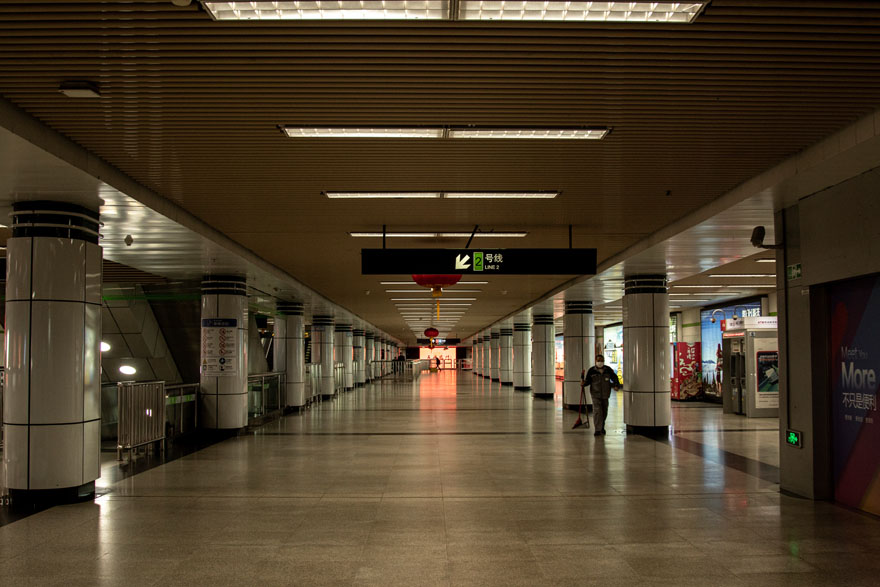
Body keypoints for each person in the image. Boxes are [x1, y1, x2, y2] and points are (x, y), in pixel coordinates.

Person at [583, 354, 620, 436]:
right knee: (597, 411)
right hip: (595, 394)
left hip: (605, 395)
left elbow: (615, 378)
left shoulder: (608, 370)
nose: (600, 362)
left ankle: (602, 426)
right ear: (596, 361)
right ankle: (597, 429)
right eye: (598, 360)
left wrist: (616, 385)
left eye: (601, 360)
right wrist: (583, 384)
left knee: (604, 412)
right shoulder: (592, 371)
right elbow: (588, 381)